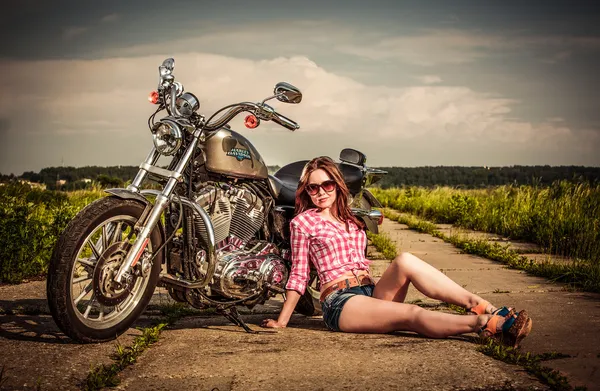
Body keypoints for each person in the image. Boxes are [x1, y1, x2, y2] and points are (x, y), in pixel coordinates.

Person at [261, 156, 532, 347]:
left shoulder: (351, 220)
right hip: (341, 303)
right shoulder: (303, 222)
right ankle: (486, 325)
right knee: (411, 315)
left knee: (405, 260)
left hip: (370, 290)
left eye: (327, 184)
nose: (320, 192)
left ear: (337, 185)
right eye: (313, 187)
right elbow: (298, 274)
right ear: (306, 191)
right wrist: (283, 321)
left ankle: (483, 307)